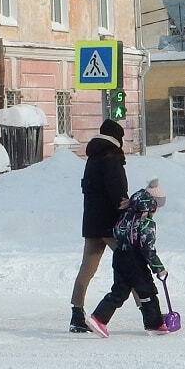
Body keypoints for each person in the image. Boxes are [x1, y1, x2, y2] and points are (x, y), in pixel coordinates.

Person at [85, 179, 170, 337]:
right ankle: (155, 324)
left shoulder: (126, 215)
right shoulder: (146, 223)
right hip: (135, 260)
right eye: (158, 206)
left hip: (120, 256)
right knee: (147, 291)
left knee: (119, 291)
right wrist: (159, 268)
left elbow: (117, 233)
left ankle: (98, 318)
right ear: (152, 204)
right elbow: (148, 249)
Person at [70, 118, 128, 333]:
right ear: (117, 139)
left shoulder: (93, 157)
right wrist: (126, 209)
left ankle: (77, 313)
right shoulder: (111, 157)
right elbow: (117, 191)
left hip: (92, 222)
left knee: (87, 268)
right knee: (131, 264)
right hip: (111, 224)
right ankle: (148, 309)